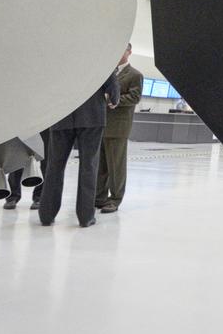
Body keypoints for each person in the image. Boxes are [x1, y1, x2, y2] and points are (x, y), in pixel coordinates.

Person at [39, 70, 120, 228]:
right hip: (92, 115)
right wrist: (114, 98)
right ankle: (85, 217)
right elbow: (112, 86)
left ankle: (46, 215)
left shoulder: (58, 59)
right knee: (88, 167)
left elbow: (46, 83)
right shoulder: (99, 58)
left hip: (61, 115)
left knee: (54, 166)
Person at [96, 43, 144, 213]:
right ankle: (99, 197)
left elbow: (135, 97)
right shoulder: (106, 72)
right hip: (100, 125)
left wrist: (113, 100)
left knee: (116, 166)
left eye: (121, 49)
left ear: (129, 52)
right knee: (100, 165)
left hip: (118, 127)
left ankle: (115, 199)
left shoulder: (135, 75)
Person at [2, 128, 51, 210]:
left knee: (46, 158)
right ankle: (12, 196)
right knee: (17, 155)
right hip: (24, 123)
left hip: (46, 123)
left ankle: (40, 196)